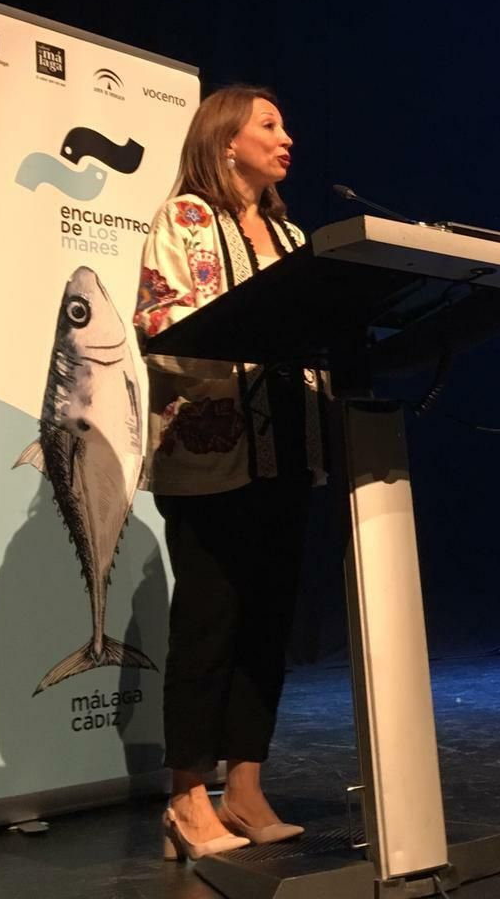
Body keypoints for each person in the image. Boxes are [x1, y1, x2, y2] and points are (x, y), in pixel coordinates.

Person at [132, 83, 325, 862]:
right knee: (209, 622)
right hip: (211, 458)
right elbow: (159, 328)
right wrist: (245, 339)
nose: (288, 139)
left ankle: (244, 787)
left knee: (267, 623)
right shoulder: (183, 220)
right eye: (270, 125)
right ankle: (186, 796)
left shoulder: (292, 234)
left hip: (285, 453)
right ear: (224, 141)